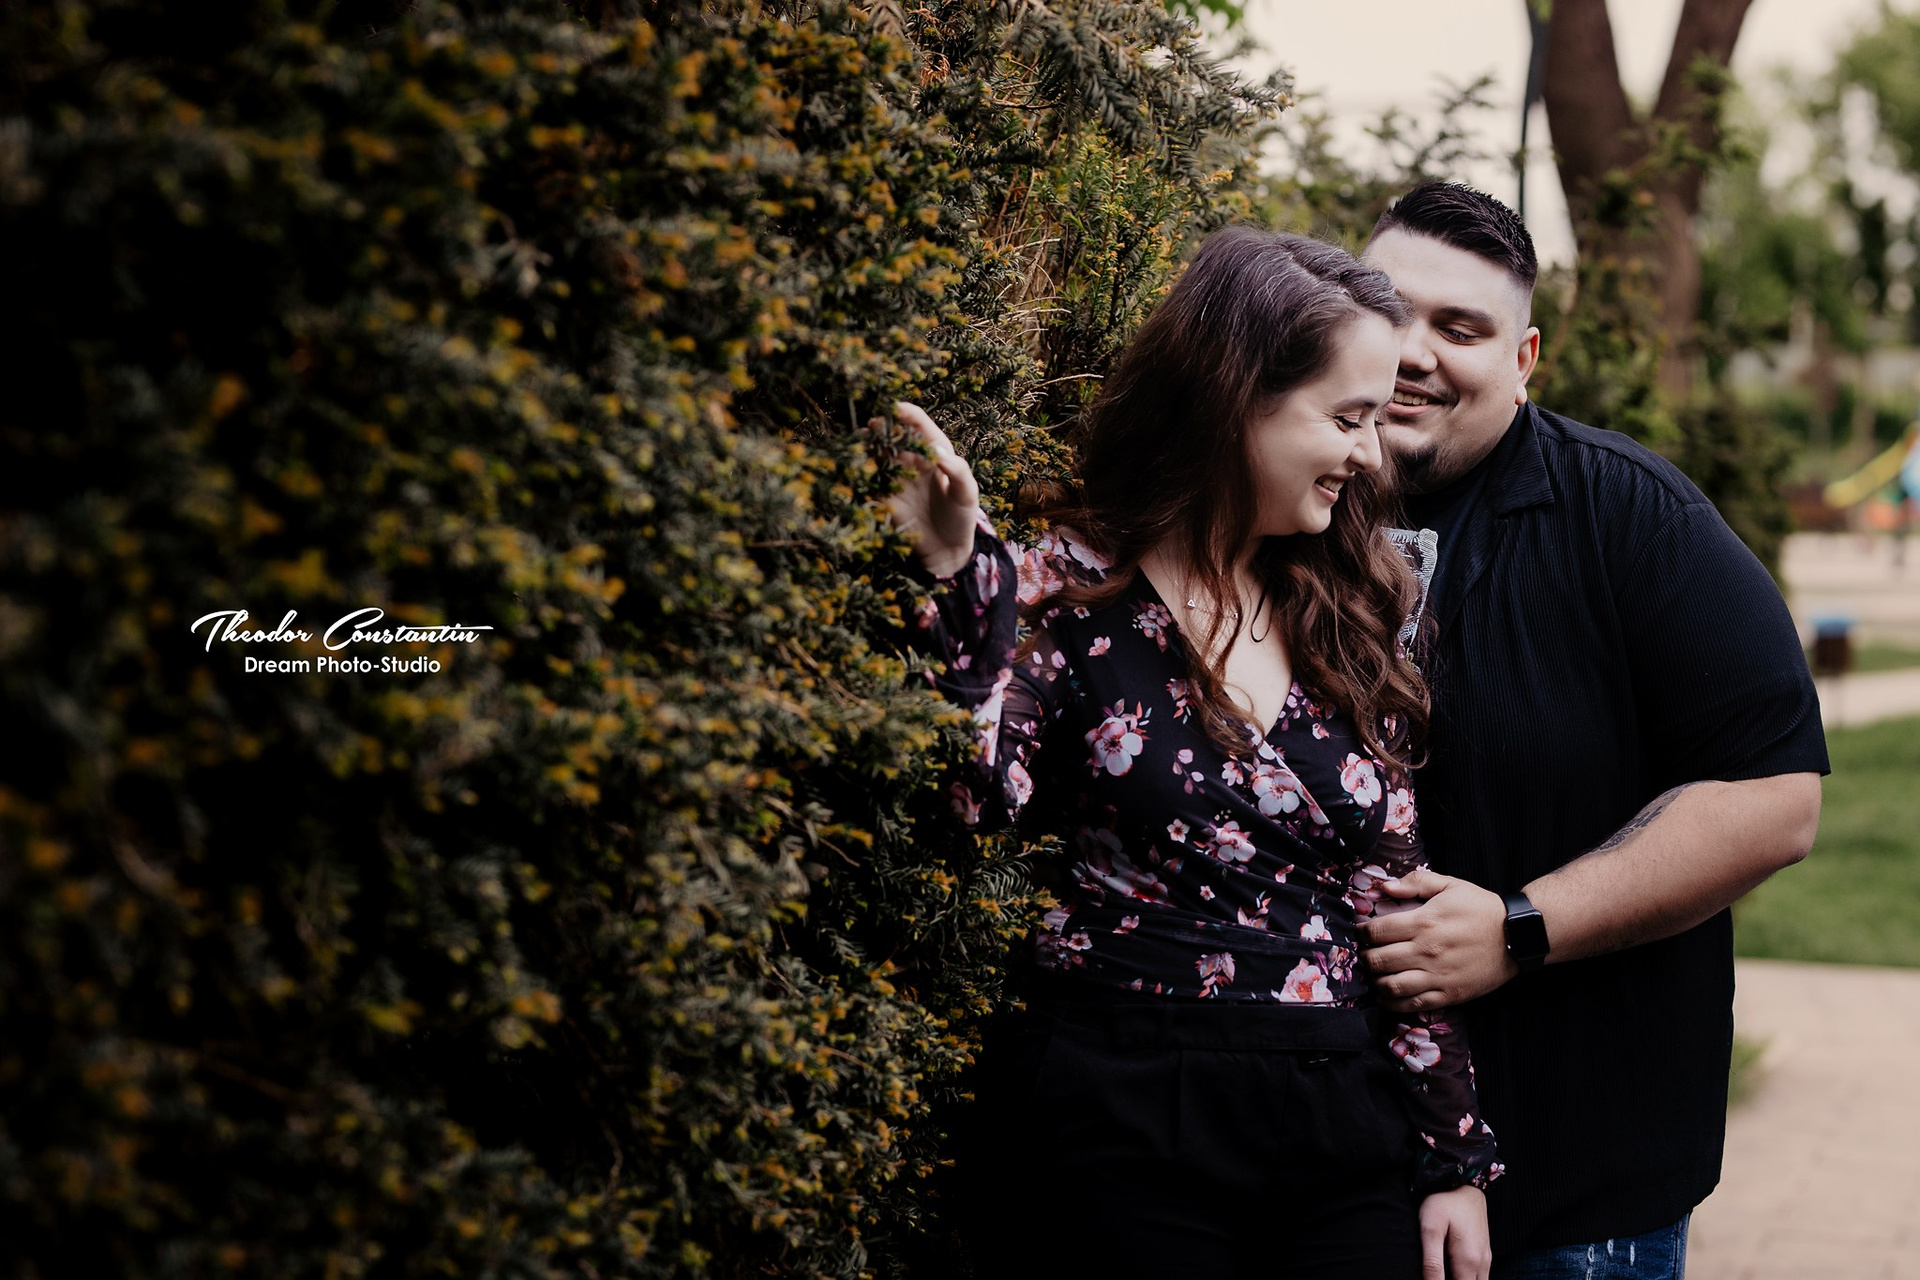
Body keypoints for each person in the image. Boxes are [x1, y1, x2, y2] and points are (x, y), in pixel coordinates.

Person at [886, 226, 1499, 1280]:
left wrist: (1453, 1155)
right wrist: (958, 581)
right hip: (1122, 1110)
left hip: (1342, 1120)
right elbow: (974, 802)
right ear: (1235, 400)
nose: (1369, 455)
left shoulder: (1353, 603)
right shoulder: (1066, 588)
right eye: (1346, 418)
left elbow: (1395, 902)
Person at [1351, 183, 1828, 1279]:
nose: (1415, 353)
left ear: (1523, 359)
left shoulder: (1635, 519)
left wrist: (1520, 927)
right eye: (1391, 311)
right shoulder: (1278, 506)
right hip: (1322, 1171)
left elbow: (1777, 800)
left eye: (1460, 329)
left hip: (1577, 1183)